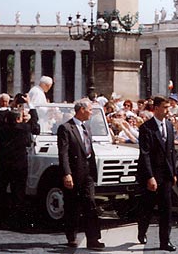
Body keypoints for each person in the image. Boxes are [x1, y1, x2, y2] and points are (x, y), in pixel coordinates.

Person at [57, 99, 105, 250]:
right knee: (72, 206)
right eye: (90, 109)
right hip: (74, 172)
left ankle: (93, 239)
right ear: (82, 110)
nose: (91, 112)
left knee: (90, 204)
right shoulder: (66, 128)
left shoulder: (86, 128)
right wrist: (67, 173)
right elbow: (63, 153)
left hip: (87, 174)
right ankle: (71, 236)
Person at [136, 96, 177, 252]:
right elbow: (144, 154)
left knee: (166, 209)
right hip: (152, 174)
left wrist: (173, 172)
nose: (168, 110)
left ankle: (165, 241)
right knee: (147, 208)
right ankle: (142, 230)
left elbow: (171, 151)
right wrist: (149, 176)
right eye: (165, 107)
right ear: (157, 108)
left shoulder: (169, 125)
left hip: (166, 174)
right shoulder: (146, 128)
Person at [0, 93, 39, 229]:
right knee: (18, 193)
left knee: (0, 192)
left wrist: (12, 106)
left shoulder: (2, 128)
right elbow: (35, 122)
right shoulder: (24, 128)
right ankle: (17, 220)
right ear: (19, 120)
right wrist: (30, 105)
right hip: (19, 164)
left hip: (3, 163)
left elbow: (0, 119)